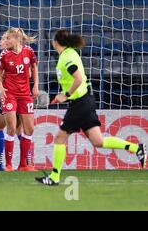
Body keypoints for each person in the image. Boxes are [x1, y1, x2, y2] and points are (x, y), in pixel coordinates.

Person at [36, 29, 146, 186]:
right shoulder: (70, 53)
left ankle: (54, 177)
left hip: (80, 102)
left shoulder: (67, 57)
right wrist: (65, 95)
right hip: (85, 100)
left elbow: (78, 78)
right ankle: (137, 148)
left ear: (55, 42)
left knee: (59, 138)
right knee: (98, 141)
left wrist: (65, 95)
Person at [0, 32, 33, 171]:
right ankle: (26, 162)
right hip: (12, 93)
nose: (2, 41)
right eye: (3, 39)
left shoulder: (21, 53)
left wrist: (2, 82)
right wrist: (0, 81)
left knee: (3, 127)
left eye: (5, 38)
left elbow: (26, 73)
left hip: (14, 94)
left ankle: (1, 163)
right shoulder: (5, 55)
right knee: (16, 128)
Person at [0, 28, 39, 172]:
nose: (5, 41)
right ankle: (8, 164)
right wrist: (1, 87)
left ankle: (24, 164)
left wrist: (36, 86)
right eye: (5, 38)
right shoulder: (4, 55)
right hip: (10, 95)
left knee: (29, 129)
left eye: (8, 38)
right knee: (11, 128)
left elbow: (34, 68)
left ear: (17, 39)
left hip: (25, 95)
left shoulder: (29, 52)